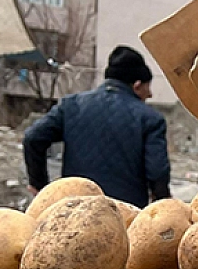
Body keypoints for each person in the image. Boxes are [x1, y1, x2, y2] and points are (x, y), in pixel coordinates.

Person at [23, 46, 172, 207]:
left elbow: (33, 138)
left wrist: (41, 187)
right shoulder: (150, 119)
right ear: (136, 85)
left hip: (75, 211)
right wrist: (161, 204)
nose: (150, 95)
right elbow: (157, 172)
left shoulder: (71, 106)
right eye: (147, 88)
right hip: (125, 216)